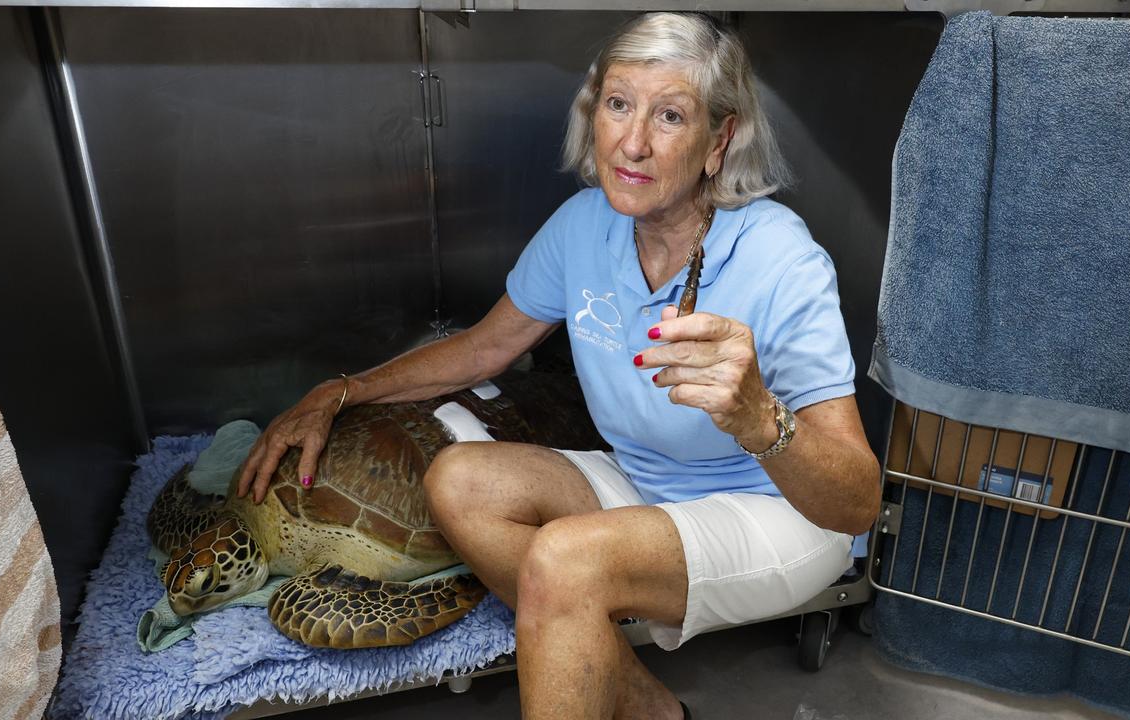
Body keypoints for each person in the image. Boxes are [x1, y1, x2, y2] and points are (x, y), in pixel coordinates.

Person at [237, 12, 880, 720]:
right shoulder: (584, 225)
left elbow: (854, 503)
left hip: (775, 513)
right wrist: (343, 390)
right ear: (592, 113)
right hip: (645, 484)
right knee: (458, 481)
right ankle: (646, 706)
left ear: (718, 140)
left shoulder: (781, 258)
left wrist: (760, 417)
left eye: (669, 115)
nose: (631, 143)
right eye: (617, 105)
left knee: (565, 559)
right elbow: (482, 349)